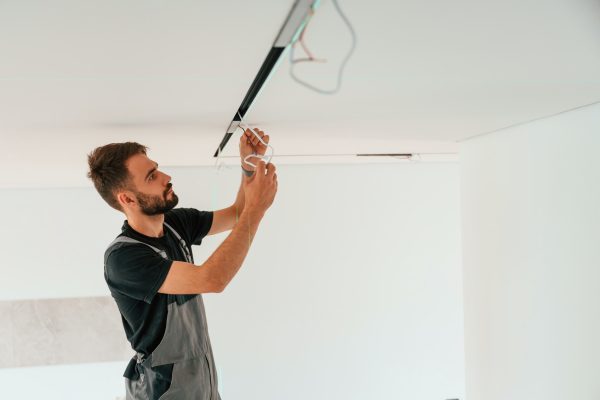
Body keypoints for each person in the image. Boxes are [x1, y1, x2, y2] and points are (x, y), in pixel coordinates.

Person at [86, 128, 277, 400]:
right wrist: (257, 209)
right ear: (127, 199)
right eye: (151, 177)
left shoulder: (175, 224)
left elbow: (237, 214)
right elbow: (213, 279)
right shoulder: (124, 258)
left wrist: (249, 164)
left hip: (203, 388)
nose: (166, 177)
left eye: (157, 169)